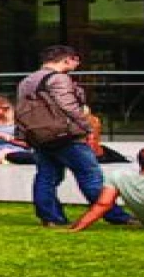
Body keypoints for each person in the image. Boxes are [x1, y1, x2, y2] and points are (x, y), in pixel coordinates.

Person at [17, 45, 130, 227]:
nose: (77, 64)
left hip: (39, 136)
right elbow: (68, 106)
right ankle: (115, 215)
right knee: (90, 176)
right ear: (67, 59)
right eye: (76, 60)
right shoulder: (59, 78)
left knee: (46, 177)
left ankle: (50, 217)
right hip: (66, 135)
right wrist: (87, 127)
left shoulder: (27, 81)